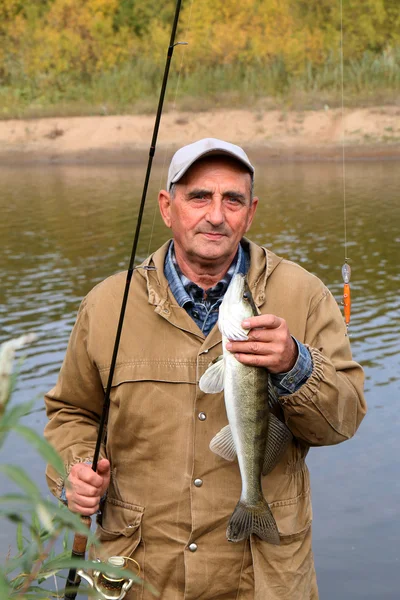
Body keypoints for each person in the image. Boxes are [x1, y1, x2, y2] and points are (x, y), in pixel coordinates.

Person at [44, 138, 366, 600]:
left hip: (263, 580)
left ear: (250, 212)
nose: (216, 215)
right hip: (140, 577)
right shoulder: (106, 303)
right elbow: (71, 412)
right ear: (166, 206)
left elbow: (345, 418)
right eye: (199, 197)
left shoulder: (306, 293)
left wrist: (296, 363)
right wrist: (75, 470)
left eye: (232, 199)